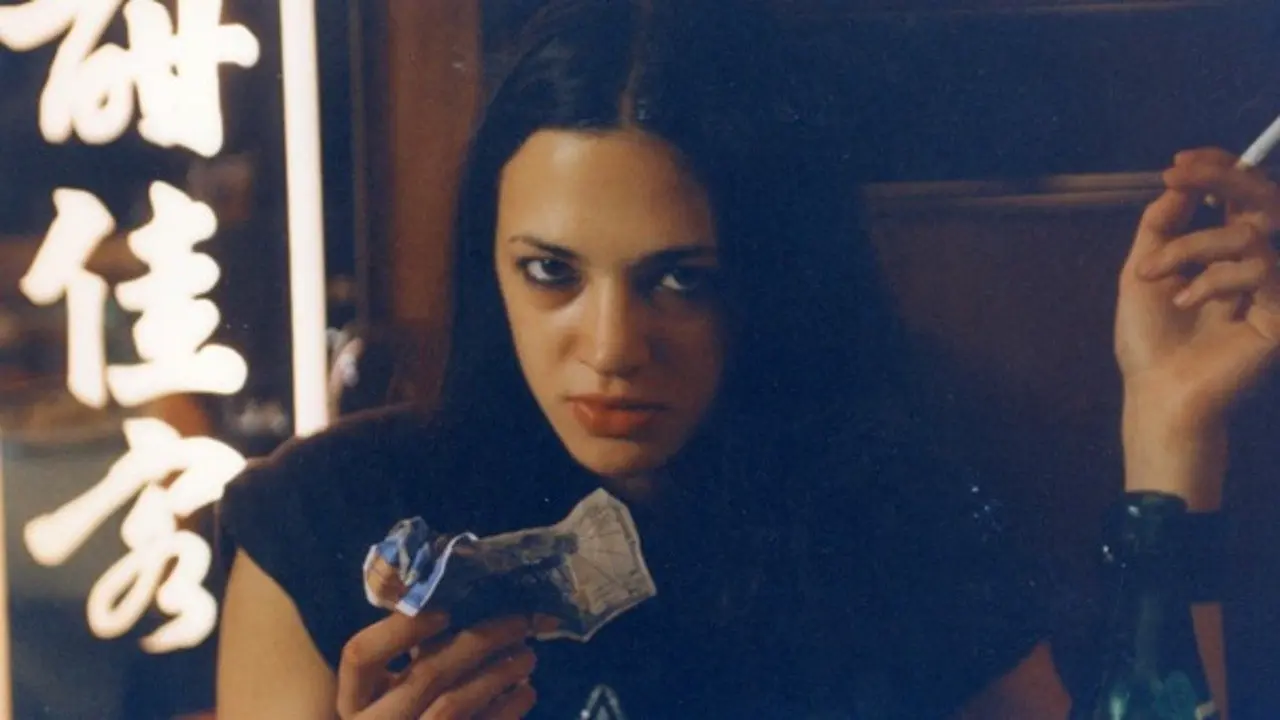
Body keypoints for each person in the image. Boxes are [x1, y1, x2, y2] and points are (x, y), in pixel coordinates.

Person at [215, 1, 1280, 718]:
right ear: (487, 261)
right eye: (549, 272)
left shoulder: (892, 518)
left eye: (683, 279)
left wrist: (1170, 431)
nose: (611, 348)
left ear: (778, 276)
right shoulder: (330, 519)